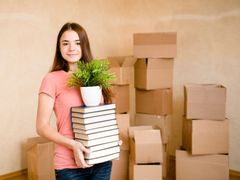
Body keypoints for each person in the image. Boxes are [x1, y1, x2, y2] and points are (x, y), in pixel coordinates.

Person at [36, 22, 114, 180]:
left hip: (101, 160)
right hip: (69, 166)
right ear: (59, 47)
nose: (71, 48)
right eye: (65, 43)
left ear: (84, 45)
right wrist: (73, 145)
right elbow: (41, 127)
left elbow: (100, 117)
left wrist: (111, 139)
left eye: (77, 43)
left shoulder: (95, 76)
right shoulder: (51, 79)